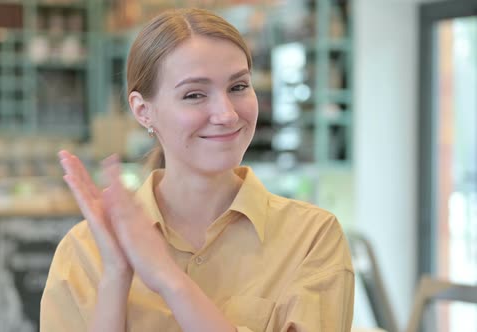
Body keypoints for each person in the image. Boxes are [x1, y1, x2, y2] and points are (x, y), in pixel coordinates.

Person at [41, 8, 354, 332]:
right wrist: (116, 276)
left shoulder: (312, 238)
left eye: (238, 87)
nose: (227, 114)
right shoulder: (85, 250)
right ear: (143, 111)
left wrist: (169, 279)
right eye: (194, 95)